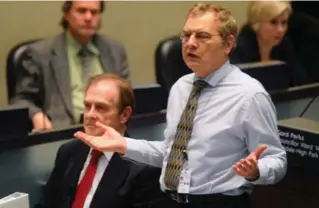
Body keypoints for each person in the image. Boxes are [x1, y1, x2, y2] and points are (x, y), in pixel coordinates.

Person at [75, 3, 287, 208]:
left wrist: (256, 170)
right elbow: (170, 153)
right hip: (169, 199)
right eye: (186, 35)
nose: (190, 43)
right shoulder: (181, 88)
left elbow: (277, 161)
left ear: (228, 44)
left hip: (218, 202)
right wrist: (122, 144)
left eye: (202, 36)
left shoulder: (250, 95)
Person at [36, 74, 169, 208]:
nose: (89, 115)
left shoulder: (144, 168)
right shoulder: (69, 152)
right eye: (87, 106)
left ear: (124, 115)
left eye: (100, 108)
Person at [10, 0, 130, 131]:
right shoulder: (39, 54)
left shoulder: (115, 50)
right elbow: (21, 99)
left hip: (109, 132)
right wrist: (36, 114)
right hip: (63, 132)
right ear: (66, 14)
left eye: (94, 12)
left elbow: (126, 97)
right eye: (81, 11)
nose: (88, 17)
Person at [230, 1, 309, 87]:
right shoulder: (238, 50)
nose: (280, 30)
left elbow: (301, 86)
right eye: (273, 22)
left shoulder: (285, 45)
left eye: (284, 23)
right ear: (256, 24)